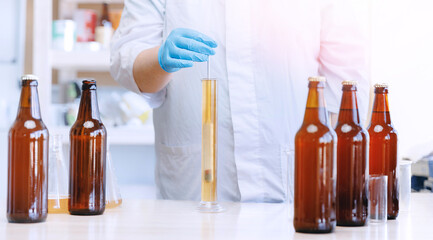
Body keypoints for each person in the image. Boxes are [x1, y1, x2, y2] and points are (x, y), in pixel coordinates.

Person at [110, 0, 369, 202]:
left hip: (293, 189)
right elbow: (129, 61)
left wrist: (332, 179)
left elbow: (344, 84)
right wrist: (160, 60)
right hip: (195, 195)